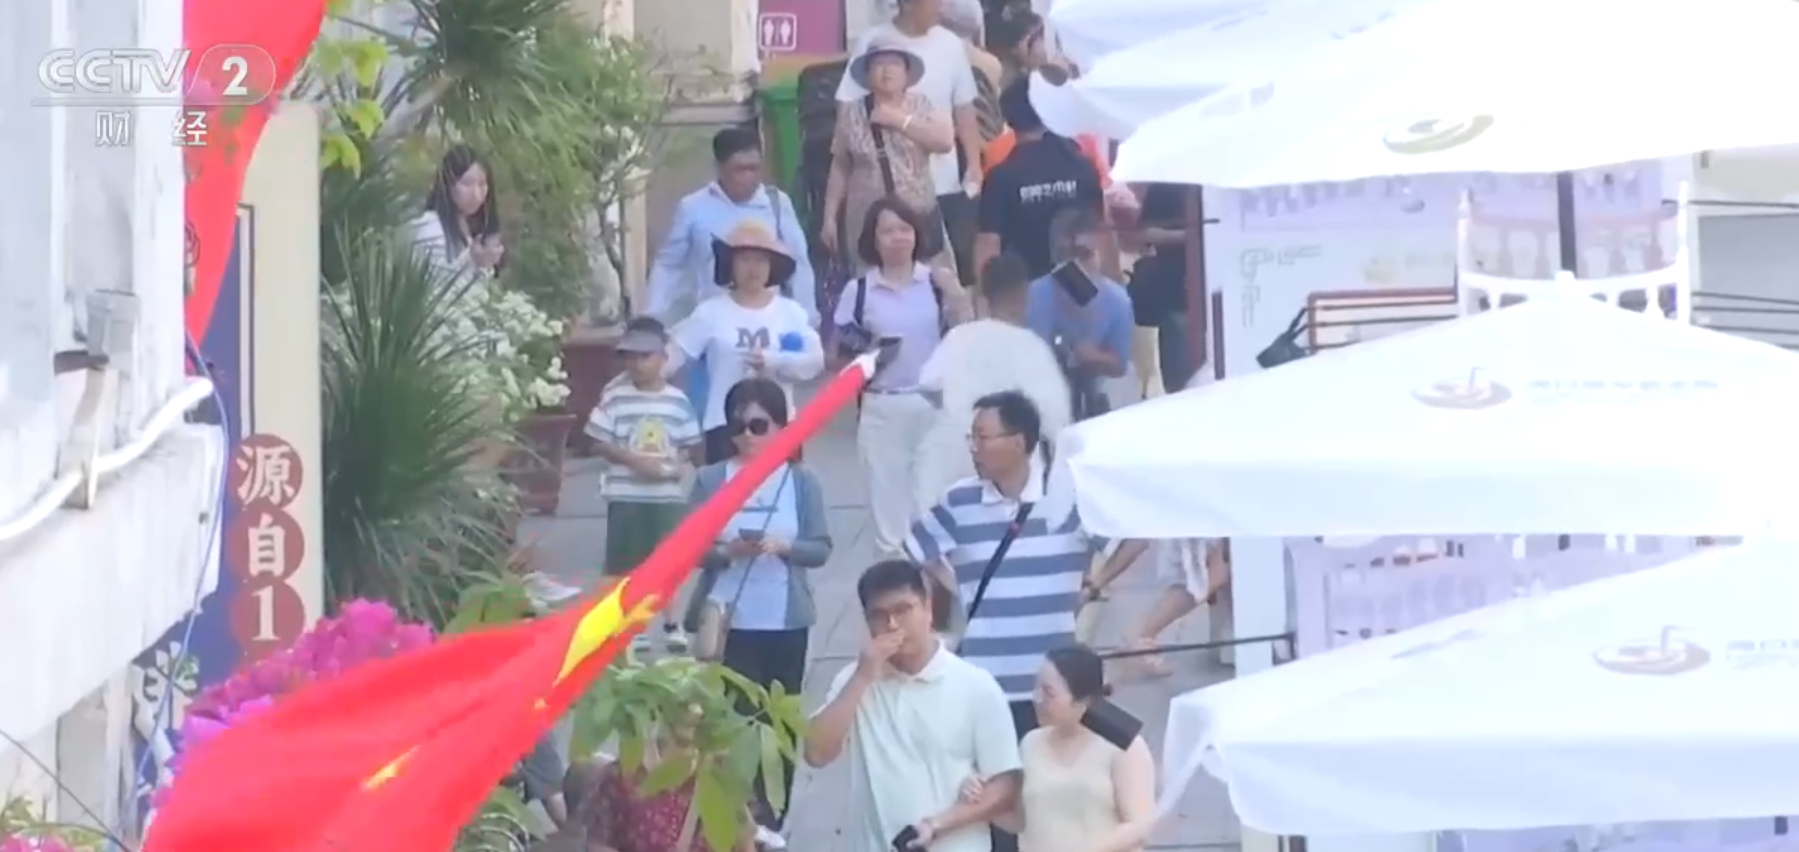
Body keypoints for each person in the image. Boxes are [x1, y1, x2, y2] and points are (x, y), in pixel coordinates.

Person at [905, 390, 1147, 852]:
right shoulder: (960, 501)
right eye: (972, 437)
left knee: (1062, 798)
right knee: (996, 804)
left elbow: (1137, 535)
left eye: (983, 437)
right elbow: (916, 549)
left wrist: (1093, 585)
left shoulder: (1067, 496)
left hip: (1057, 687)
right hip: (987, 686)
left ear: (1019, 442)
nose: (974, 447)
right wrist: (961, 589)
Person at [691, 377, 833, 846]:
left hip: (785, 621)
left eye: (758, 425)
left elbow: (821, 547)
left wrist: (785, 547)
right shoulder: (712, 479)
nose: (747, 435)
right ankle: (737, 818)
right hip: (728, 620)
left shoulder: (801, 481)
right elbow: (688, 547)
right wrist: (727, 551)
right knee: (732, 721)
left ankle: (772, 821)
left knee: (780, 725)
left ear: (780, 427)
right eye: (738, 426)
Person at [804, 559, 1023, 852]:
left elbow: (1006, 786)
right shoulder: (854, 680)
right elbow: (816, 753)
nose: (892, 625)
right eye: (879, 616)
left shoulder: (976, 686)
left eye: (903, 611)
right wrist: (862, 677)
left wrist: (937, 825)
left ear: (928, 609)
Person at [834, 197, 973, 558]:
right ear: (873, 239)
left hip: (933, 403)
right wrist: (872, 352)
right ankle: (897, 575)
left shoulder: (936, 283)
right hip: (882, 405)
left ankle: (938, 576)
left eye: (904, 229)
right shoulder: (859, 291)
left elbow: (964, 333)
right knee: (888, 504)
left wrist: (956, 294)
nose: (897, 237)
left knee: (937, 498)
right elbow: (840, 352)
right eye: (887, 231)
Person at [647, 128, 818, 420]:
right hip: (713, 333)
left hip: (768, 326)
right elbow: (670, 265)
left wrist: (808, 315)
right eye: (740, 169)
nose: (749, 177)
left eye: (755, 168)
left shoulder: (776, 205)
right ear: (719, 168)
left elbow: (798, 262)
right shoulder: (693, 208)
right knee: (711, 411)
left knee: (771, 414)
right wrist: (652, 317)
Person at [957, 646, 1160, 852]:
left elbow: (1139, 826)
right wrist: (983, 800)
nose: (1037, 699)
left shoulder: (1124, 746)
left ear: (1083, 701)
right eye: (1037, 689)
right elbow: (1021, 821)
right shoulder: (1031, 742)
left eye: (1049, 693)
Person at [840, 0, 988, 281]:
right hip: (883, 194)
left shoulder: (951, 45)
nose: (941, 7)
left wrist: (974, 165)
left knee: (941, 274)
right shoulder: (874, 40)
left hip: (942, 184)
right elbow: (847, 109)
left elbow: (964, 110)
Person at [584, 316, 705, 653]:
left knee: (668, 563)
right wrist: (633, 461)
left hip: (666, 495)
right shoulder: (615, 398)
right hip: (626, 493)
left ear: (663, 357)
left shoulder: (677, 401)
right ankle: (632, 624)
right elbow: (596, 441)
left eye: (645, 356)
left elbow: (691, 445)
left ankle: (671, 622)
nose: (637, 364)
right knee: (625, 565)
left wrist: (679, 464)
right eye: (630, 357)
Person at [915, 253, 1071, 509]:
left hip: (951, 458)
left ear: (983, 297)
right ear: (1025, 297)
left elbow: (927, 384)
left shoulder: (957, 337)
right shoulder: (1032, 348)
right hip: (1007, 466)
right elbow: (1055, 417)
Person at [667, 221, 824, 462]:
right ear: (730, 264)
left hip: (780, 428)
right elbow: (672, 356)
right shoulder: (710, 312)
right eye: (745, 259)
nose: (753, 268)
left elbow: (815, 361)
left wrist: (773, 361)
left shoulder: (791, 313)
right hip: (724, 428)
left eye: (761, 260)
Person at [822, 40, 959, 273]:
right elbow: (841, 165)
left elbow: (944, 142)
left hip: (918, 215)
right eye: (879, 64)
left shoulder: (921, 105)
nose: (887, 71)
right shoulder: (851, 112)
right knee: (872, 283)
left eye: (895, 64)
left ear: (906, 72)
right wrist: (829, 218)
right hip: (867, 220)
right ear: (867, 74)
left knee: (934, 281)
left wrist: (900, 121)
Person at [974, 79, 1105, 281]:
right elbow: (1103, 235)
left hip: (1024, 289)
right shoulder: (1083, 167)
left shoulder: (1001, 177)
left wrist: (986, 295)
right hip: (1081, 287)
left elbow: (988, 246)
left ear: (1009, 120)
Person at [578, 723, 759, 852]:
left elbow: (744, 844)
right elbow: (597, 843)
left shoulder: (724, 787)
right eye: (682, 741)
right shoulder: (622, 777)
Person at [1025, 208, 1135, 420]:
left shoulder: (1117, 301)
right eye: (1065, 255)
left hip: (1097, 388)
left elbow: (1119, 365)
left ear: (1098, 254)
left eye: (1084, 254)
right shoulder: (1032, 296)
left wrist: (1092, 357)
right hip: (1042, 386)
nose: (1074, 264)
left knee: (1123, 382)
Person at [1123, 183, 1196, 396]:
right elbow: (1146, 233)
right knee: (1179, 378)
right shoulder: (1167, 184)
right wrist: (1188, 237)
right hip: (1174, 292)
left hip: (1218, 285)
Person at [412, 145, 504, 293]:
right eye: (467, 183)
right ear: (448, 184)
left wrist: (487, 264)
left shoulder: (476, 228)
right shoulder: (429, 226)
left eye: (482, 184)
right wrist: (472, 260)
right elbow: (433, 288)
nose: (476, 194)